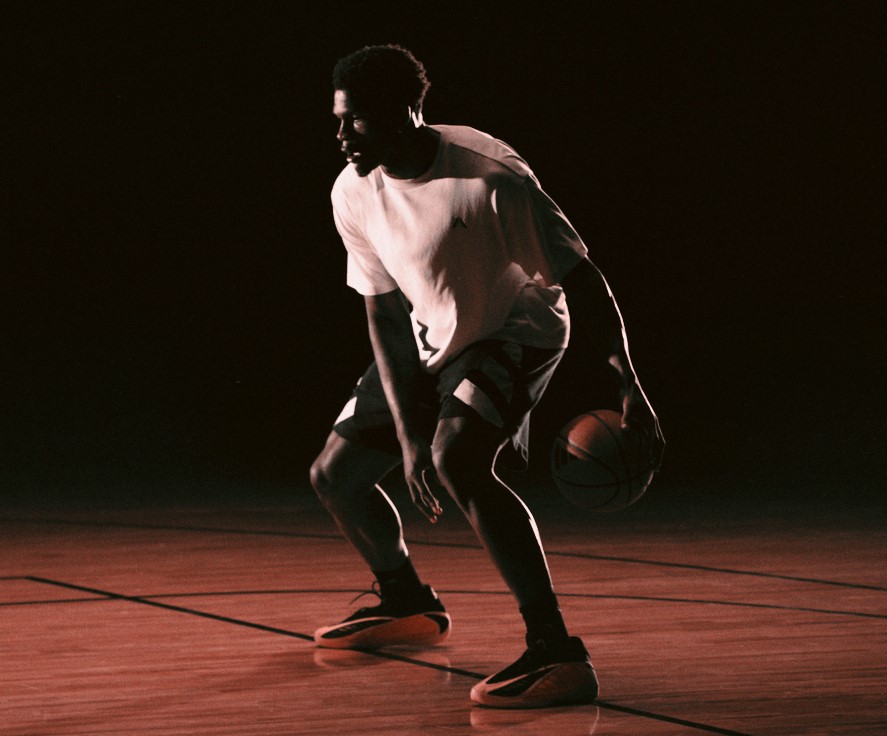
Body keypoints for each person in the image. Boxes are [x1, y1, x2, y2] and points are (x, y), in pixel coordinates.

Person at [309, 44, 664, 708]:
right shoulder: (352, 191)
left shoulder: (491, 178)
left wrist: (628, 383)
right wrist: (407, 434)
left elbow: (584, 281)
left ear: (404, 111)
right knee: (335, 476)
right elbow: (384, 314)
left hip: (515, 331)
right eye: (338, 118)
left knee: (457, 460)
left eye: (355, 119)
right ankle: (406, 600)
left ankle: (556, 649)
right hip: (432, 333)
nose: (341, 134)